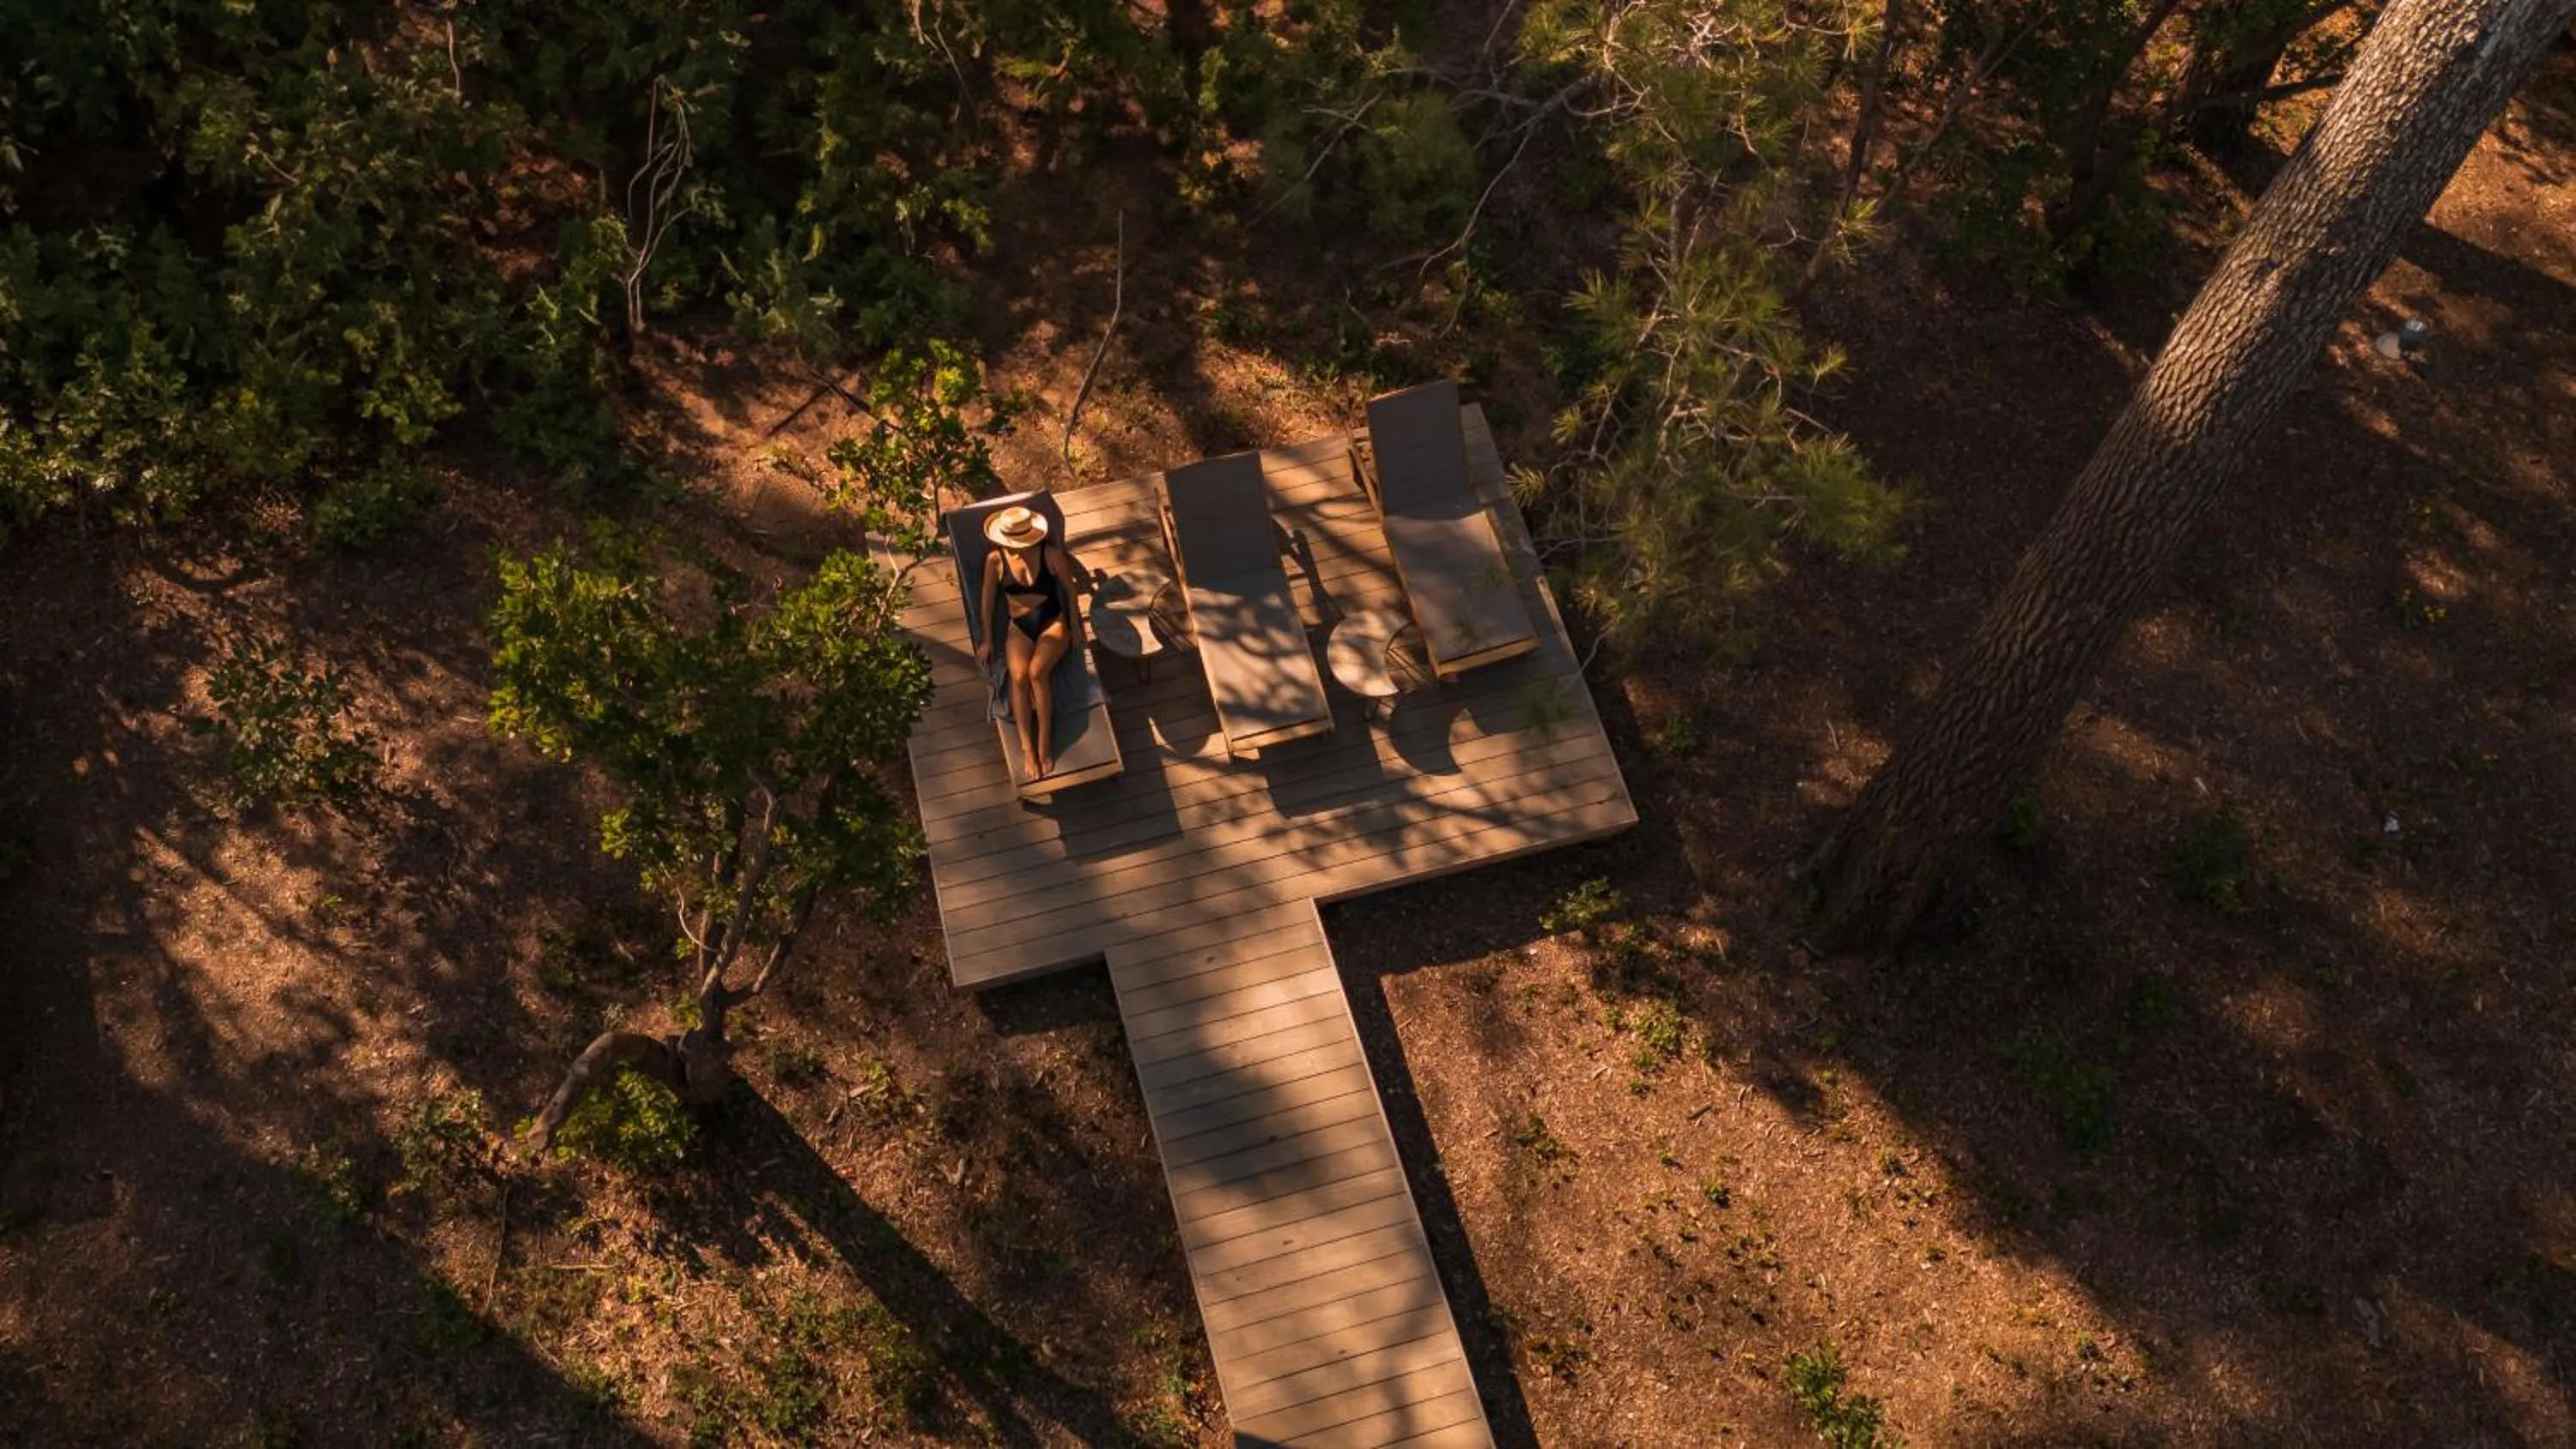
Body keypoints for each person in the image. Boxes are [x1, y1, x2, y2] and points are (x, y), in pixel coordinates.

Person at [975, 504, 1091, 781]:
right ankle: (1027, 748)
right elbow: (987, 602)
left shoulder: (1051, 555)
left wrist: (1075, 625)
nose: (1012, 547)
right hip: (1020, 626)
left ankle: (1044, 745)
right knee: (1018, 677)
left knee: (1037, 673)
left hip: (1052, 621)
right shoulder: (995, 560)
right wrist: (988, 640)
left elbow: (1070, 591)